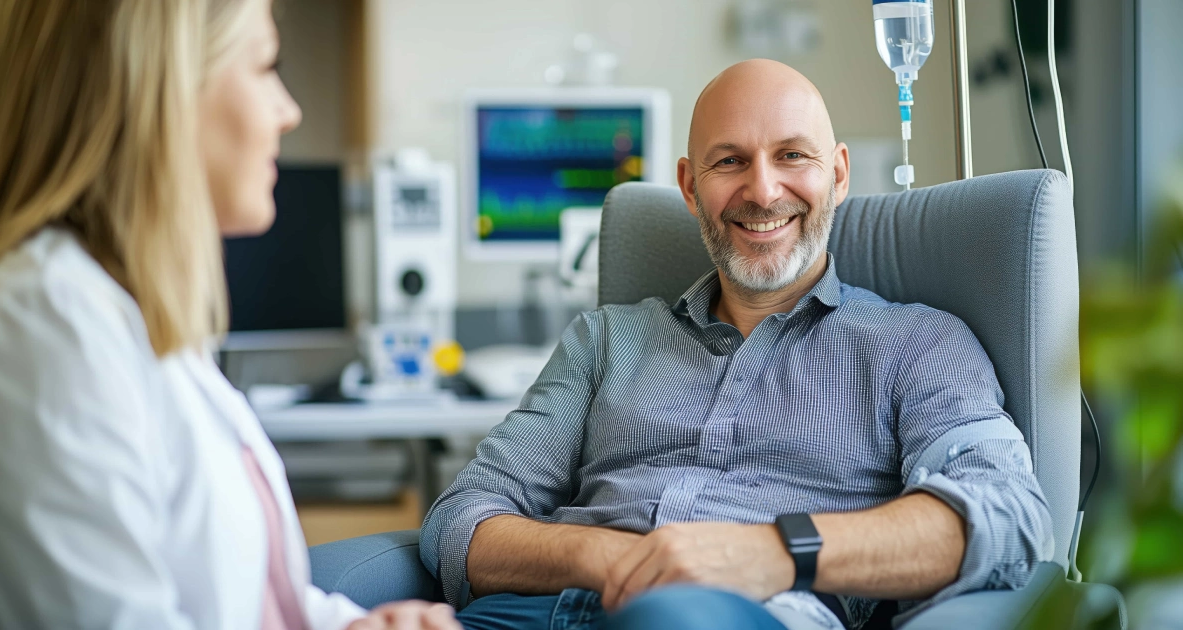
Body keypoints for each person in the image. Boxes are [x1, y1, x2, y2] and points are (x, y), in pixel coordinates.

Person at [420, 59, 1053, 630]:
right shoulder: (605, 340)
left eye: (791, 156)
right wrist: (616, 557)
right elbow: (463, 516)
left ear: (836, 174)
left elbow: (1008, 516)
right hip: (528, 614)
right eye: (729, 161)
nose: (763, 191)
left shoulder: (920, 343)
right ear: (690, 187)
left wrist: (776, 552)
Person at [0, 2, 459, 629]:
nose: (289, 110)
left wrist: (350, 625)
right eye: (266, 66)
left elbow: (242, 599)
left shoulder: (139, 322)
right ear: (163, 88)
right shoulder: (45, 319)